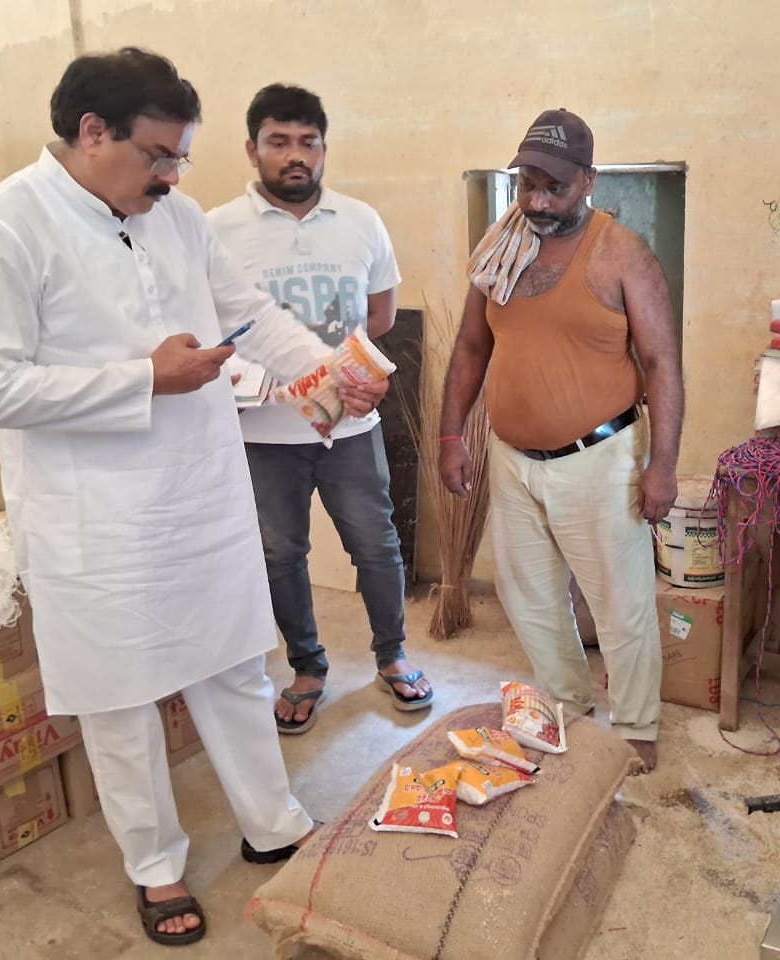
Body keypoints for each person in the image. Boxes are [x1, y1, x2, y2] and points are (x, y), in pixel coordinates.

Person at [0, 49, 366, 947]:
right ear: (93, 132)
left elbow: (251, 314)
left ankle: (272, 822)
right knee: (121, 700)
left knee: (235, 666)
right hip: (94, 516)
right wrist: (145, 378)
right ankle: (156, 865)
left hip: (199, 493)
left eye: (181, 157)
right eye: (158, 155)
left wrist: (327, 371)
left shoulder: (175, 218)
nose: (172, 176)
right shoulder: (2, 229)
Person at [438, 108, 683, 773]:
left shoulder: (622, 254)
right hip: (513, 461)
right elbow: (471, 346)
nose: (538, 202)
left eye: (556, 188)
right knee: (530, 600)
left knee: (620, 605)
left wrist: (663, 466)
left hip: (600, 459)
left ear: (589, 181)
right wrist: (451, 434)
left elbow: (662, 363)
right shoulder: (501, 248)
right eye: (527, 186)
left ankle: (634, 728)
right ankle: (566, 710)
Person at [207, 84, 431, 733]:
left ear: (324, 148)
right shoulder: (217, 229)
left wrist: (342, 373)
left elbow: (380, 316)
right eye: (278, 142)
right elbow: (208, 323)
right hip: (263, 433)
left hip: (351, 424)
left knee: (377, 545)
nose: (295, 155)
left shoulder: (362, 221)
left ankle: (392, 656)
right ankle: (307, 667)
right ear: (252, 149)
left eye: (308, 142)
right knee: (280, 555)